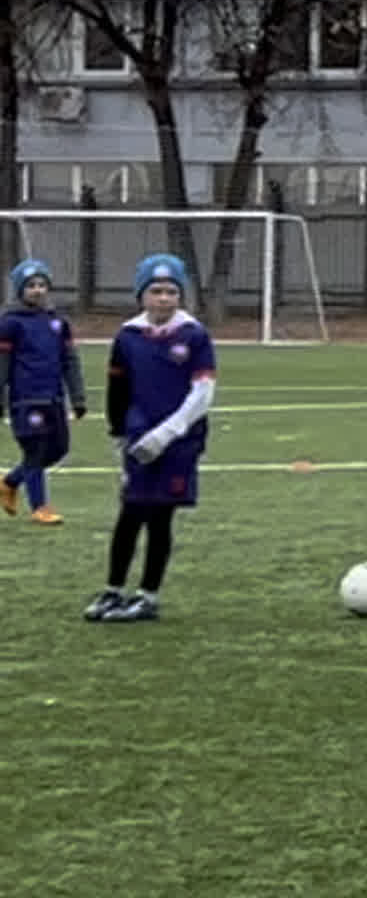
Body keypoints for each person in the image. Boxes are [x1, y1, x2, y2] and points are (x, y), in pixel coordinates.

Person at [91, 253, 213, 623]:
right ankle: (113, 590)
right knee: (129, 514)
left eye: (171, 291)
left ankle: (148, 595)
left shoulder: (194, 335)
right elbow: (118, 390)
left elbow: (202, 394)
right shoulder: (128, 337)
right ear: (141, 295)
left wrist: (167, 434)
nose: (164, 298)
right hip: (137, 439)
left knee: (160, 516)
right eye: (156, 291)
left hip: (178, 442)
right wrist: (118, 437)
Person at [5, 259, 86, 525]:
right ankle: (40, 507)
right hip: (25, 400)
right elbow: (2, 364)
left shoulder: (57, 322)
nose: (37, 290)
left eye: (41, 285)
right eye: (30, 286)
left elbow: (69, 361)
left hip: (54, 398)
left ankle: (9, 482)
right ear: (20, 290)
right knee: (35, 451)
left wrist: (77, 397)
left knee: (59, 450)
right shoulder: (10, 323)